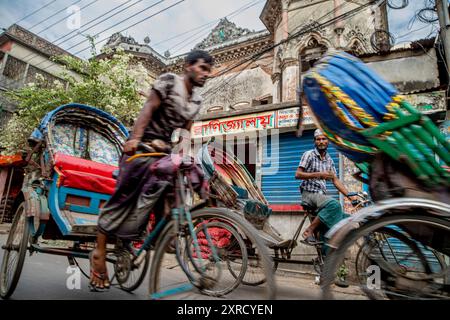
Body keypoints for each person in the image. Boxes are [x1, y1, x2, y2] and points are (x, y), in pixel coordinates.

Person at [89, 50, 214, 291]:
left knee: (177, 192)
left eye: (208, 70)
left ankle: (158, 235)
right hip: (142, 147)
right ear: (188, 66)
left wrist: (183, 154)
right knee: (123, 200)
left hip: (164, 153)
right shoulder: (168, 81)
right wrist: (135, 138)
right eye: (202, 68)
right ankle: (99, 251)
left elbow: (186, 132)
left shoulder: (196, 101)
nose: (206, 74)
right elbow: (148, 108)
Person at [295, 128, 357, 245]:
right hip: (309, 193)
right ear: (315, 141)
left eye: (324, 139)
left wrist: (350, 197)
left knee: (344, 218)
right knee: (335, 205)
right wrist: (319, 174)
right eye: (318, 139)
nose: (321, 141)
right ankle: (309, 231)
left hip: (320, 196)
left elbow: (335, 180)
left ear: (328, 141)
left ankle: (327, 255)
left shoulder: (329, 160)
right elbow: (298, 174)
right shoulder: (309, 155)